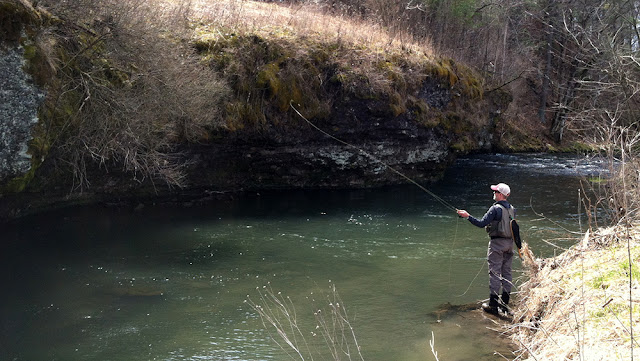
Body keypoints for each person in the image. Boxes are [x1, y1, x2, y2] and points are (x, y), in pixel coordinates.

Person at [456, 183, 515, 315]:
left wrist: (467, 216)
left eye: (495, 192)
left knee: (494, 273)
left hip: (497, 245)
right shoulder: (512, 209)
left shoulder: (495, 209)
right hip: (510, 245)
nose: (493, 193)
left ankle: (493, 305)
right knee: (507, 273)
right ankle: (505, 305)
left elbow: (481, 223)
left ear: (500, 194)